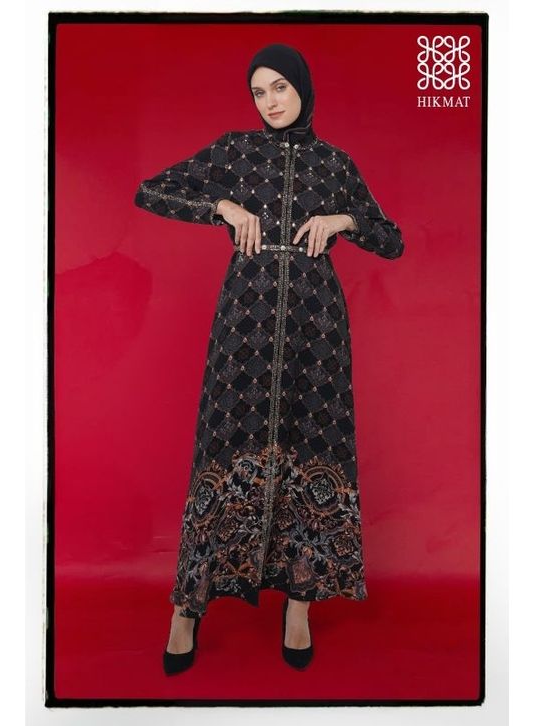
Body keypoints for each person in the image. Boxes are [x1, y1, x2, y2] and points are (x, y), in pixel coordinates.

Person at [133, 42, 404, 675]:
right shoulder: (235, 151)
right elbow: (149, 191)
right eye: (259, 92)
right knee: (223, 446)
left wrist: (343, 219)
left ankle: (299, 606)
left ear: (302, 87)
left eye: (280, 87)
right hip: (245, 323)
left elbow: (391, 240)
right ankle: (187, 607)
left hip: (317, 329)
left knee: (312, 446)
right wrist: (221, 206)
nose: (271, 102)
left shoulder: (335, 163)